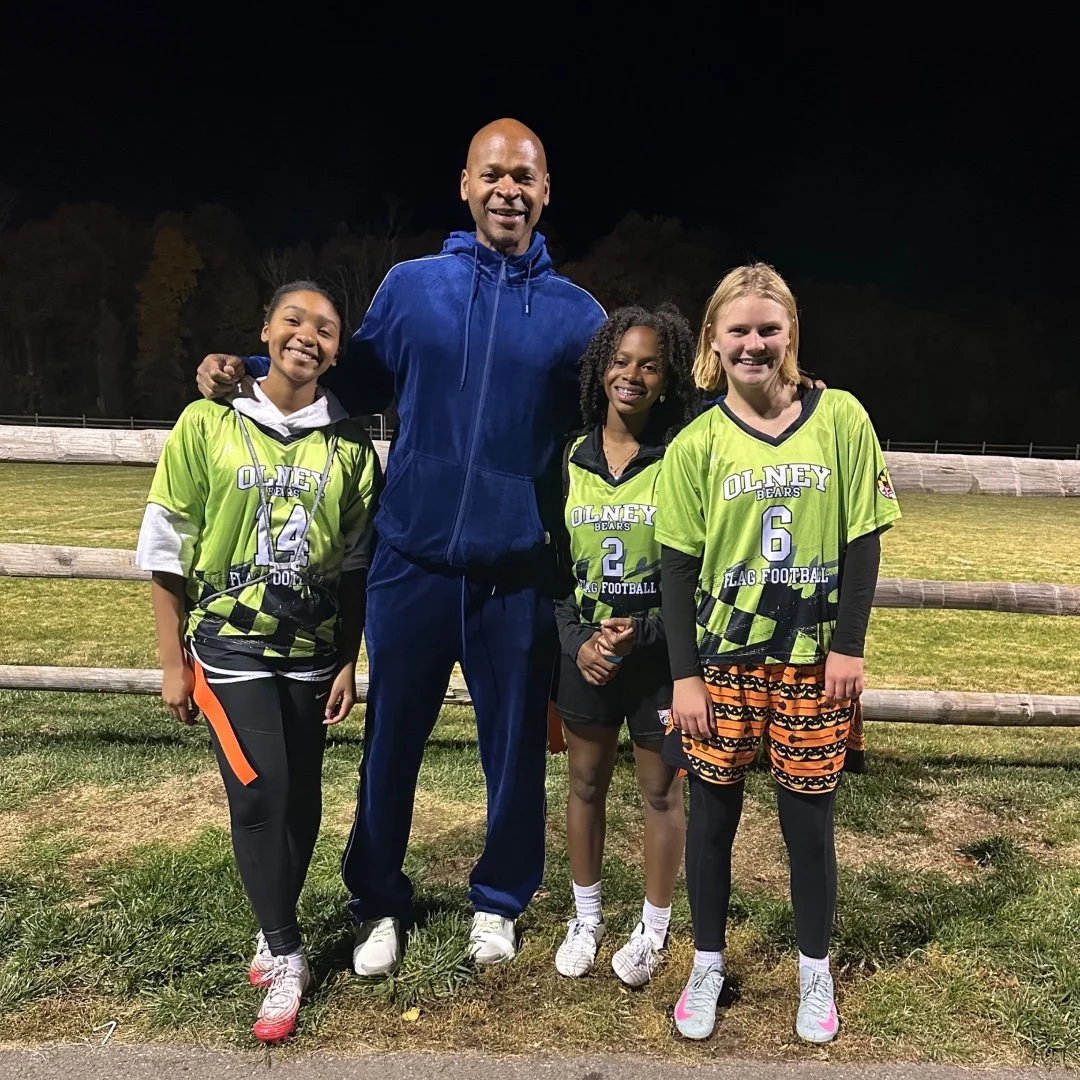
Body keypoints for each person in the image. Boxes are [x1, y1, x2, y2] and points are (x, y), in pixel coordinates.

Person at [194, 120, 606, 970]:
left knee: (512, 751)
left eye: (523, 177)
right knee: (391, 747)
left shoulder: (577, 315)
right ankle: (378, 898)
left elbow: (639, 406)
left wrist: (775, 396)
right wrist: (241, 367)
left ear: (546, 189)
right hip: (410, 563)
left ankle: (498, 901)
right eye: (492, 174)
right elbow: (336, 373)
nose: (507, 190)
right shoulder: (412, 288)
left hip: (514, 576)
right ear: (464, 183)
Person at [656, 263, 900, 1043]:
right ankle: (706, 962)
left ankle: (814, 974)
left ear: (791, 332)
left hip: (810, 660)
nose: (754, 342)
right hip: (723, 662)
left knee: (809, 826)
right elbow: (675, 568)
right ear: (713, 341)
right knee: (711, 821)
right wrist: (685, 675)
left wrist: (850, 648)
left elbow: (863, 537)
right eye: (739, 330)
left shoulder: (842, 418)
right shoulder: (696, 443)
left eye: (769, 327)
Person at [138, 282, 379, 1043]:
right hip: (228, 644)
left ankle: (272, 921)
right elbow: (167, 543)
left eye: (327, 328)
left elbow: (355, 569)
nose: (308, 336)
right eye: (294, 321)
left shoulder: (349, 442)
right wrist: (171, 660)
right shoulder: (208, 420)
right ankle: (285, 951)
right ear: (265, 331)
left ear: (339, 349)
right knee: (260, 792)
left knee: (302, 797)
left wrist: (348, 659)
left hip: (311, 652)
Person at [551, 304, 699, 986]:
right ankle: (586, 918)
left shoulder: (683, 457)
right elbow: (550, 570)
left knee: (661, 790)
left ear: (667, 381)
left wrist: (647, 633)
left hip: (661, 658)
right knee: (584, 783)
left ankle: (653, 930)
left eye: (649, 364)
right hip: (587, 653)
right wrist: (578, 639)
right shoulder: (568, 458)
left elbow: (694, 575)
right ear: (601, 367)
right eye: (621, 360)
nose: (632, 374)